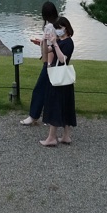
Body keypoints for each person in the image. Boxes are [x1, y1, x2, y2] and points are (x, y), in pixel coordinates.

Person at [19, 0, 58, 125]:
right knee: (52, 91)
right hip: (57, 61)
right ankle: (49, 116)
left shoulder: (49, 27)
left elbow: (49, 44)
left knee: (39, 89)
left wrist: (42, 44)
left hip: (50, 62)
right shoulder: (59, 24)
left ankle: (34, 116)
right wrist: (41, 42)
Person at [41, 16, 76, 147]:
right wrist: (44, 41)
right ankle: (66, 136)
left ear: (66, 28)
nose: (58, 30)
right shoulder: (60, 41)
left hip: (60, 78)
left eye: (60, 28)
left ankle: (51, 137)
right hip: (61, 78)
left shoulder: (68, 43)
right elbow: (45, 53)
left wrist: (55, 43)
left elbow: (62, 59)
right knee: (65, 105)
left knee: (55, 105)